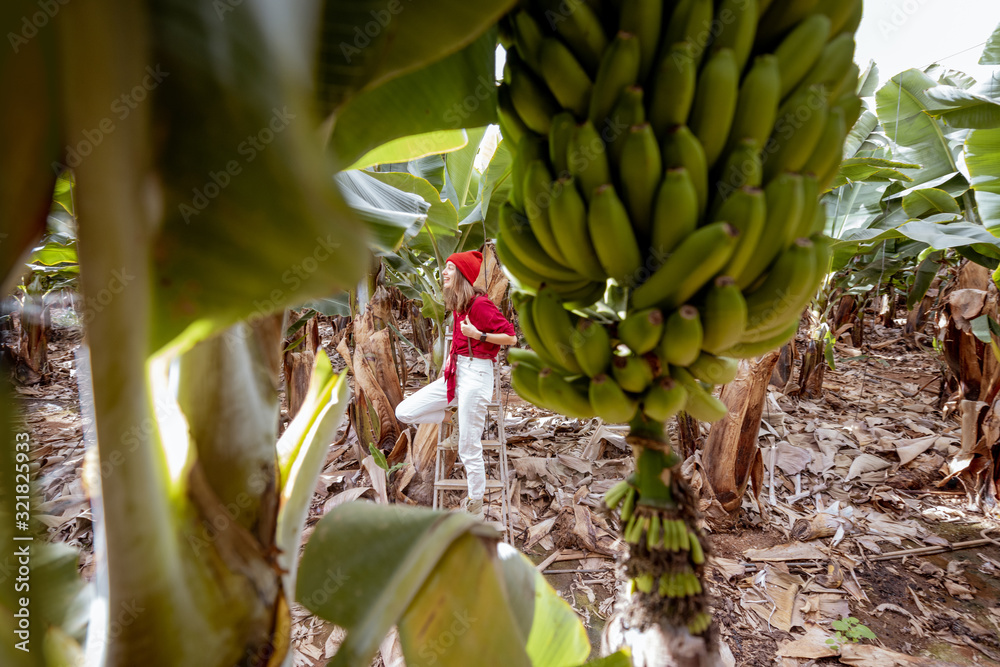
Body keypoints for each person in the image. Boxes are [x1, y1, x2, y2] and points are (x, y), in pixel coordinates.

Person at [395, 250, 517, 519]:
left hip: (477, 374)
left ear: (463, 275)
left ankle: (475, 504)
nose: (445, 273)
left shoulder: (480, 305)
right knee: (403, 411)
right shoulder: (460, 305)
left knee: (468, 447)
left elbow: (511, 337)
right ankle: (453, 416)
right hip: (456, 372)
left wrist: (479, 334)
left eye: (450, 268)